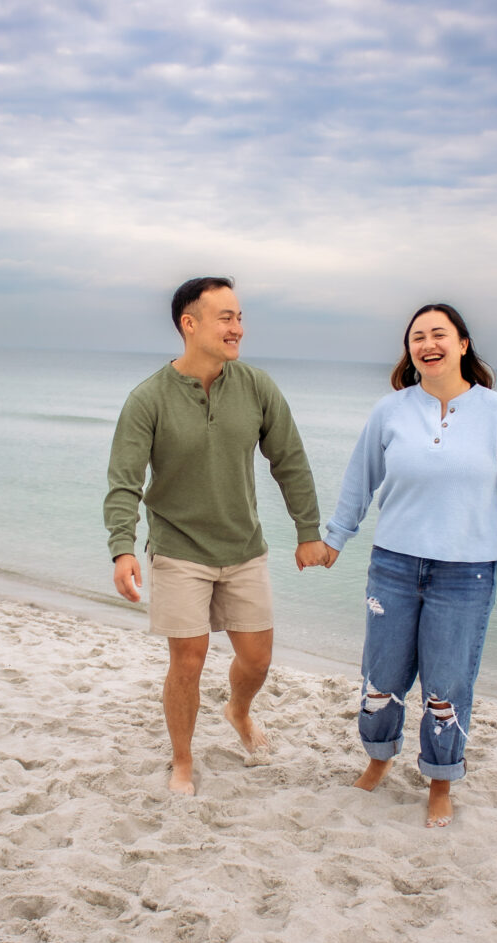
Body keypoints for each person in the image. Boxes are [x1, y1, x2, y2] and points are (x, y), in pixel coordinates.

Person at [323, 303, 497, 828]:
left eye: (439, 334)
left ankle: (440, 781)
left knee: (447, 684)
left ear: (462, 344)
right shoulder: (390, 411)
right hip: (393, 564)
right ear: (409, 350)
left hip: (467, 572)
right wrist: (334, 538)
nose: (427, 344)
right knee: (381, 675)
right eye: (417, 337)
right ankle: (377, 759)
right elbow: (359, 479)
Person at [104, 277, 327, 795]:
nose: (238, 329)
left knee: (257, 658)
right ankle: (182, 760)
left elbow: (290, 460)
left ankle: (238, 711)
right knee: (188, 660)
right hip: (179, 549)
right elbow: (124, 481)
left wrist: (308, 530)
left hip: (243, 548)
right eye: (226, 317)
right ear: (190, 324)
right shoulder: (148, 399)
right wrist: (122, 548)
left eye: (240, 317)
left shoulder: (256, 387)